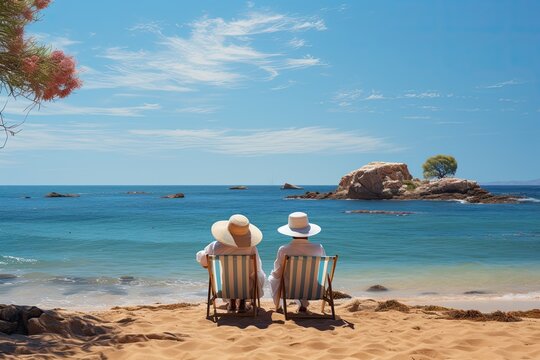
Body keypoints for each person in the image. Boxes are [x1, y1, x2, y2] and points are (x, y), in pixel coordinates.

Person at [196, 214, 266, 313]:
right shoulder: (251, 248)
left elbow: (203, 259)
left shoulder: (215, 246)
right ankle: (242, 302)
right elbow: (257, 268)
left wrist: (206, 263)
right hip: (246, 288)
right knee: (258, 274)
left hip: (222, 288)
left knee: (224, 275)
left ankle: (232, 303)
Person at [268, 212, 325, 312]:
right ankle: (303, 304)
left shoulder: (284, 249)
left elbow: (278, 273)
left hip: (291, 289)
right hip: (313, 288)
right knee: (304, 278)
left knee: (273, 278)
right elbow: (321, 273)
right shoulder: (319, 248)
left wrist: (273, 275)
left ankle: (279, 306)